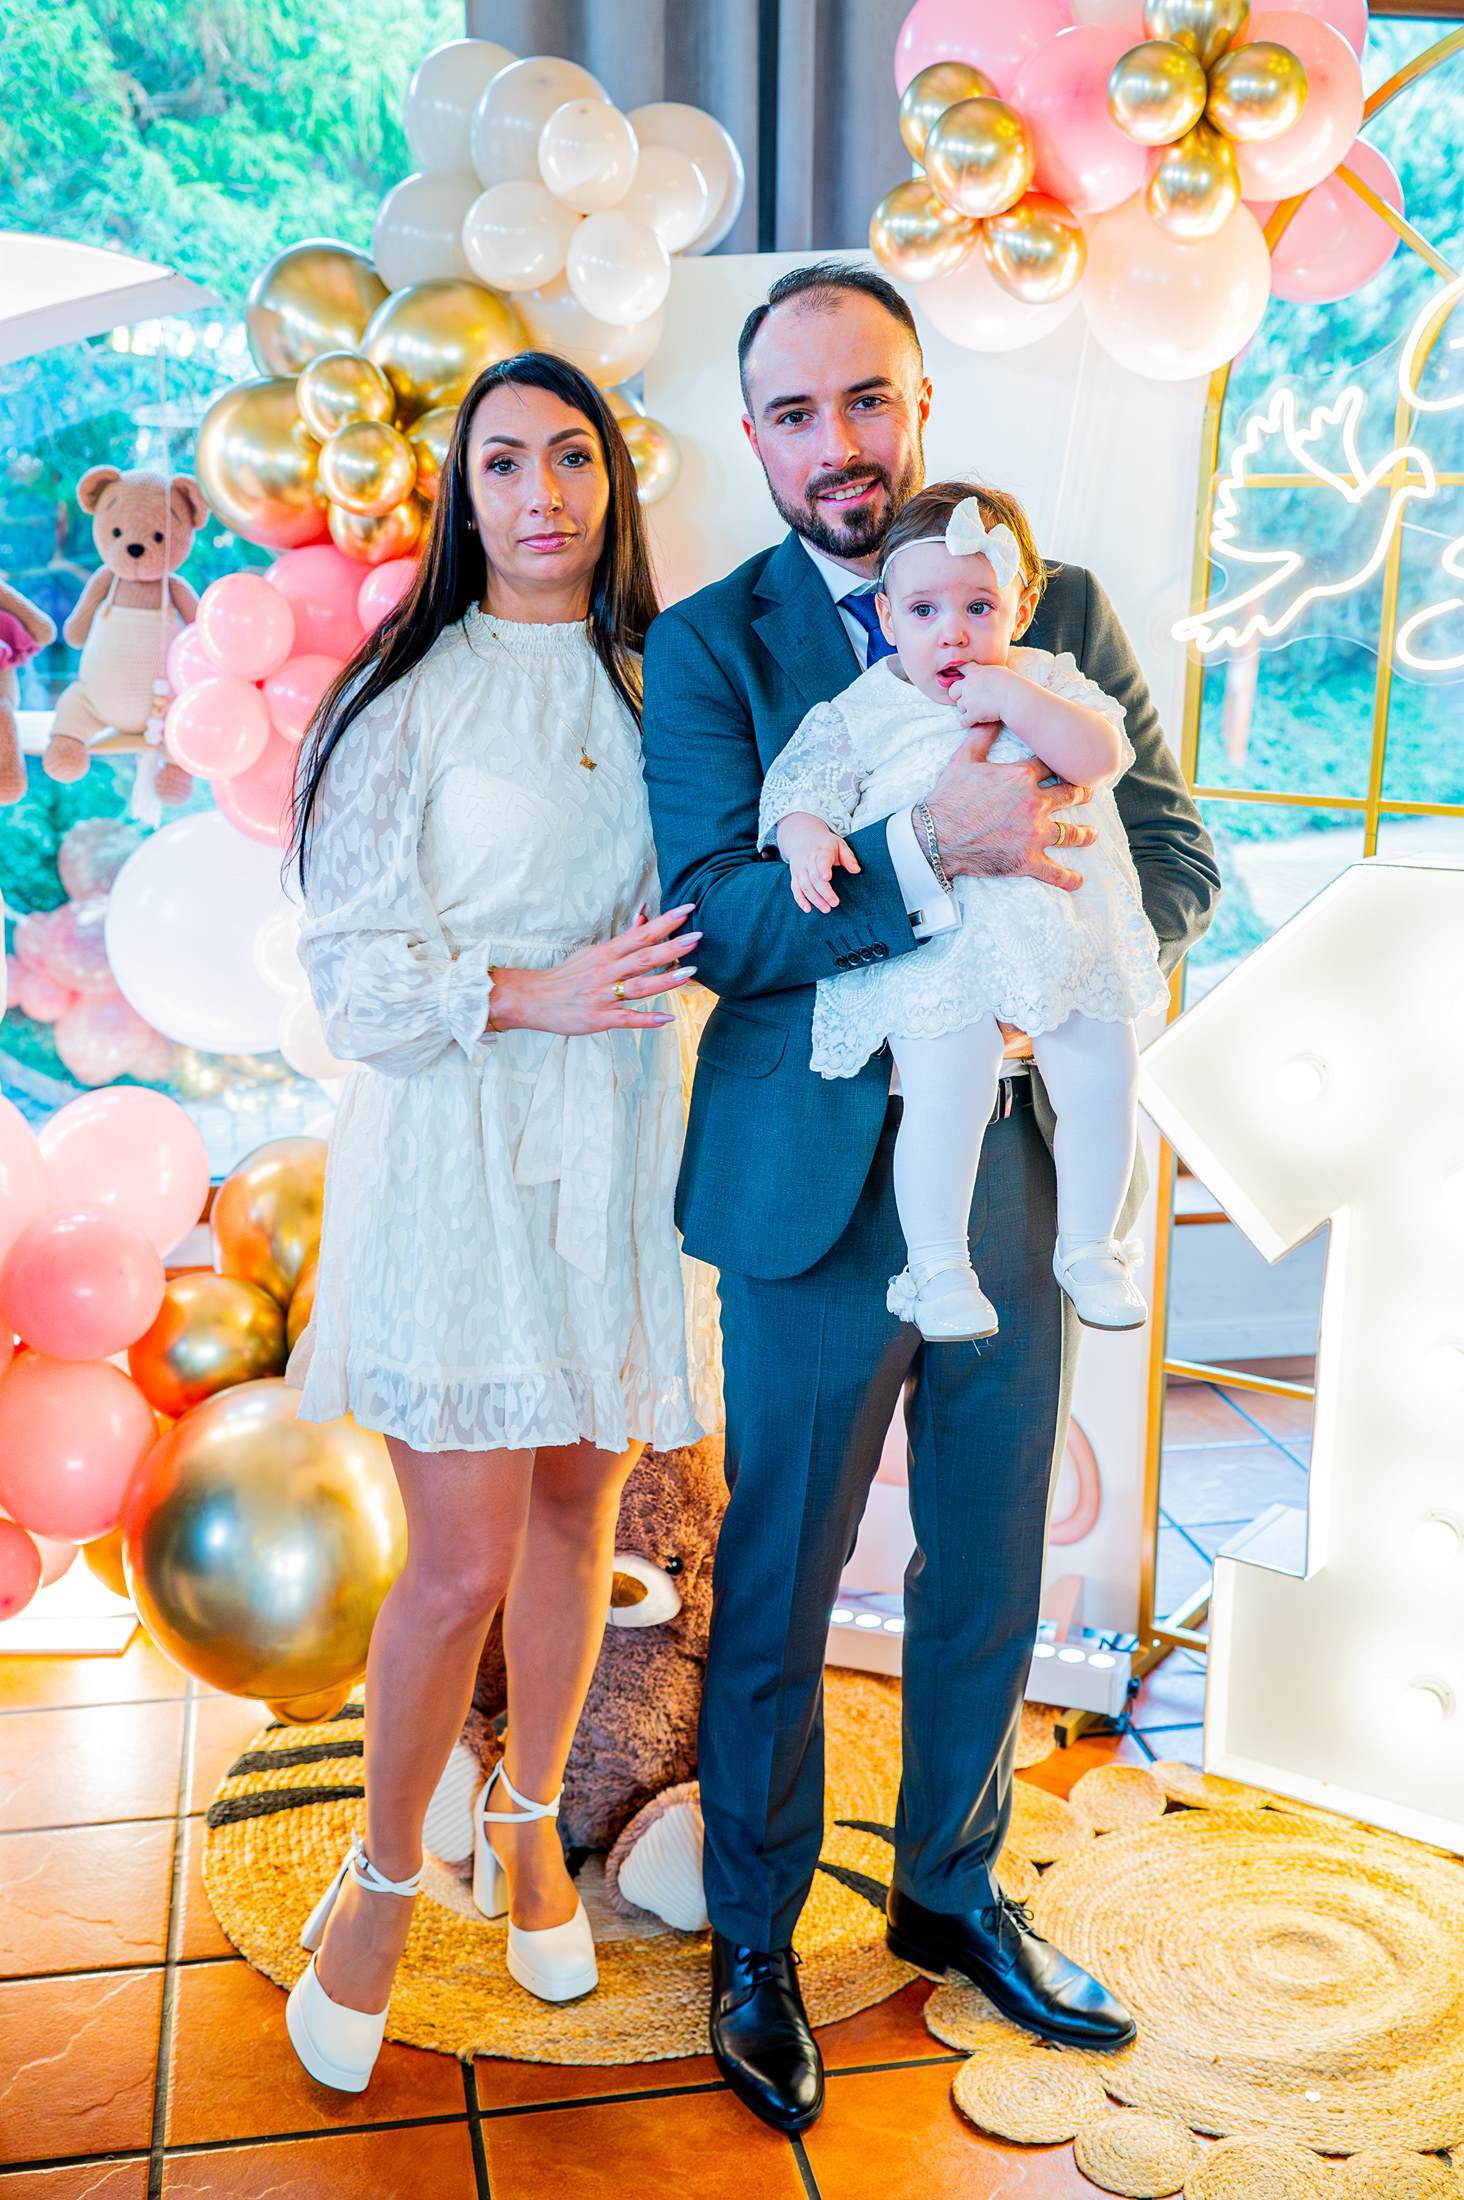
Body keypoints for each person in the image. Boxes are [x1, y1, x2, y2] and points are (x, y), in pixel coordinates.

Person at [640, 261, 1220, 2135]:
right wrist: (922, 856)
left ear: (917, 406)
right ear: (754, 438)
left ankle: (950, 1888)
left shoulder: (1052, 606)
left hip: (1020, 1154)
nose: (838, 443)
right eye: (796, 413)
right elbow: (715, 920)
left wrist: (1074, 944)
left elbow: (1172, 849)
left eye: (868, 400)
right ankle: (752, 1935)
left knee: (987, 1559)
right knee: (781, 1575)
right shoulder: (712, 643)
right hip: (811, 1186)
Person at [281, 351, 705, 2095]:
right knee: (454, 1560)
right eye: (505, 462)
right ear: (464, 495)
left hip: (615, 1142)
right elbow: (353, 982)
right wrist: (537, 993)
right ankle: (383, 1881)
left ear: (613, 481)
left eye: (573, 457)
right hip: (455, 1147)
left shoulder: (663, 680)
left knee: (574, 1511)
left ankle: (527, 1822)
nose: (543, 493)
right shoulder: (410, 693)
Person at [760, 479, 1168, 1346]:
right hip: (940, 952)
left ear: (1021, 606)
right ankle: (937, 1266)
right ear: (886, 615)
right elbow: (800, 787)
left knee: (1106, 1074)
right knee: (949, 1087)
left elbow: (1102, 756)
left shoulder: (1047, 678)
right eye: (924, 610)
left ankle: (1091, 1246)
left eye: (979, 607)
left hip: (1063, 938)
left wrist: (1015, 699)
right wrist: (805, 837)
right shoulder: (866, 707)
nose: (952, 632)